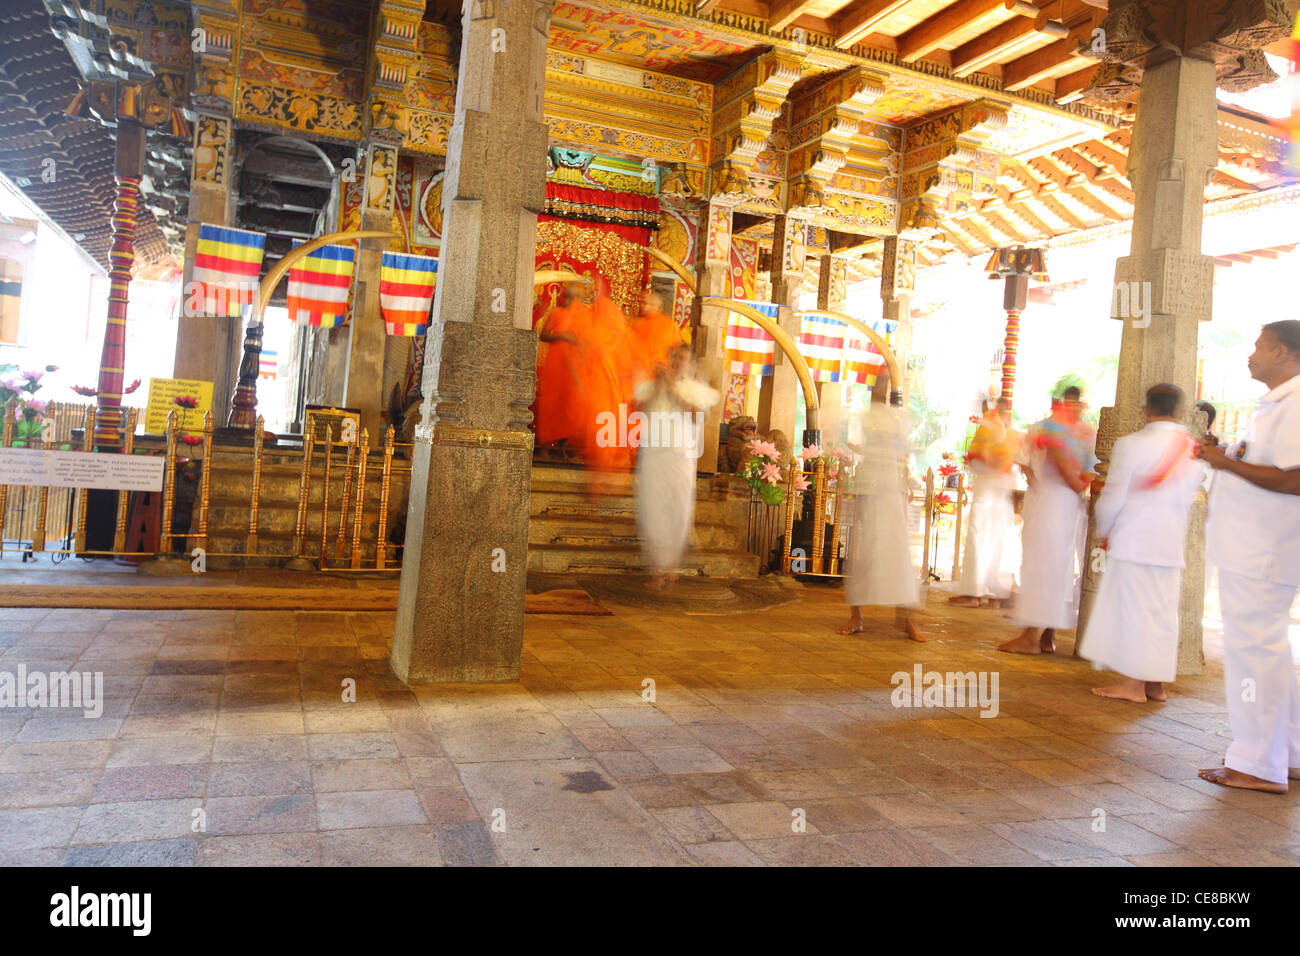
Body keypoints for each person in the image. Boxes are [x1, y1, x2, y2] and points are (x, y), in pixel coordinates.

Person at [1196, 320, 1300, 794]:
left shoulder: (1296, 403)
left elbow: (1294, 478)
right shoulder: (1277, 403)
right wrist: (1228, 456)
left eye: (1260, 346)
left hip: (1263, 550)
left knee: (1255, 655)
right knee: (1267, 653)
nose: (1251, 354)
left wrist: (1223, 463)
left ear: (1283, 351)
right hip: (1255, 548)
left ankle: (1257, 764)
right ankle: (1287, 753)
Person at [1080, 384, 1204, 703]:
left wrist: (1104, 530)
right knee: (1162, 614)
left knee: (1134, 611)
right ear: (1178, 410)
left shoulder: (1132, 444)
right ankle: (1155, 684)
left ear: (1147, 409)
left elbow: (1114, 495)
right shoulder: (1191, 448)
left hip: (1135, 539)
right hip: (1170, 542)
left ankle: (1133, 684)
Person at [999, 386, 1095, 655]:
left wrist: (1073, 486)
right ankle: (1041, 632)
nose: (1073, 408)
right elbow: (1027, 462)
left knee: (1046, 565)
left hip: (1055, 500)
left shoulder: (1062, 431)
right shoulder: (1054, 429)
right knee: (1050, 564)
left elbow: (1083, 472)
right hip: (1053, 499)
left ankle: (1033, 635)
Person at [837, 370, 925, 642]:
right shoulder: (863, 417)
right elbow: (858, 447)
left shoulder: (897, 418)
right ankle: (857, 616)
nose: (881, 386)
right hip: (869, 486)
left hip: (891, 490)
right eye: (878, 381)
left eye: (885, 382)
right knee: (863, 553)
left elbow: (905, 452)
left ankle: (905, 618)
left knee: (898, 553)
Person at [634, 345, 718, 590]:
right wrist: (660, 386)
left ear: (693, 366)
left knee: (677, 510)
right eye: (675, 358)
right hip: (653, 456)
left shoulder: (695, 390)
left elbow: (696, 417)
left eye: (684, 359)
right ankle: (658, 568)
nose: (678, 362)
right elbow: (637, 412)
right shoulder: (653, 385)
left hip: (680, 459)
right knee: (652, 509)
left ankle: (668, 563)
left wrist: (672, 386)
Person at [950, 396, 1019, 608]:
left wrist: (980, 463)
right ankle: (993, 591)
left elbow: (977, 458)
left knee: (978, 538)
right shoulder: (1010, 431)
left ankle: (973, 593)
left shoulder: (989, 427)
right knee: (996, 540)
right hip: (1002, 490)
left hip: (988, 486)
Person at [534, 280, 592, 455]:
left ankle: (564, 446)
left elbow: (590, 341)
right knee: (552, 404)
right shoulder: (556, 313)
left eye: (574, 298)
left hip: (575, 367)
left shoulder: (586, 315)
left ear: (580, 299)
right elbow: (543, 335)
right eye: (567, 296)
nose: (569, 301)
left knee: (571, 405)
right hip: (556, 366)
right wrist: (562, 336)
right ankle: (544, 446)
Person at [628, 291, 684, 387]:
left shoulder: (669, 326)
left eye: (650, 304)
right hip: (636, 375)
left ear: (659, 308)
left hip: (658, 377)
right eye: (643, 303)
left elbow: (679, 351)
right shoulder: (636, 324)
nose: (645, 306)